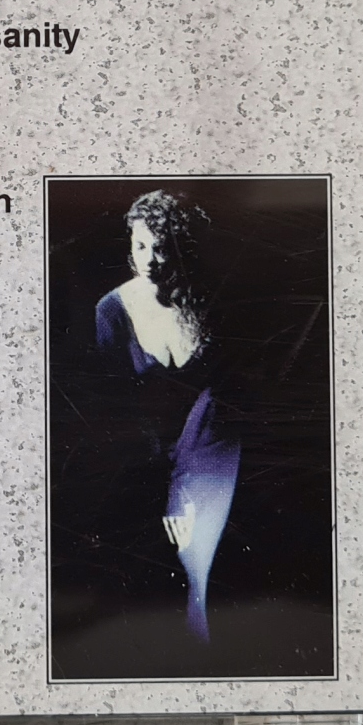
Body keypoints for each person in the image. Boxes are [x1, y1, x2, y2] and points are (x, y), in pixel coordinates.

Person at [90, 190, 243, 644]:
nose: (150, 260)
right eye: (140, 246)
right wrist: (164, 490)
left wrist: (187, 493)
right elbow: (115, 409)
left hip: (211, 455)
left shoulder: (208, 302)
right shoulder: (112, 311)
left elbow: (222, 404)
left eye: (161, 248)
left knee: (204, 573)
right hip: (148, 460)